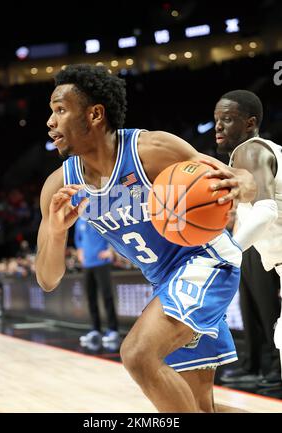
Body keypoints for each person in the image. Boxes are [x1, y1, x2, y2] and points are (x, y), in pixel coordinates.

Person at [35, 64, 256, 413]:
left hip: (205, 260)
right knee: (200, 407)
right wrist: (57, 231)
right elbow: (47, 279)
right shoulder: (58, 186)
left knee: (137, 354)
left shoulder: (150, 150)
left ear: (94, 114)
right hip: (164, 282)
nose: (50, 121)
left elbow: (236, 176)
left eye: (60, 110)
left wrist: (243, 184)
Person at [213, 89, 282, 385]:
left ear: (250, 123)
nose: (218, 126)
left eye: (227, 120)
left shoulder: (249, 150)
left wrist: (225, 252)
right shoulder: (267, 149)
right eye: (216, 119)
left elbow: (266, 211)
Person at [74, 216, 119, 348]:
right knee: (91, 297)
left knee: (107, 296)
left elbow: (113, 233)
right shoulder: (79, 221)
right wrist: (80, 252)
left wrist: (110, 251)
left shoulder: (100, 217)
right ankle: (96, 329)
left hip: (101, 262)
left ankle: (113, 330)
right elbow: (78, 240)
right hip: (87, 264)